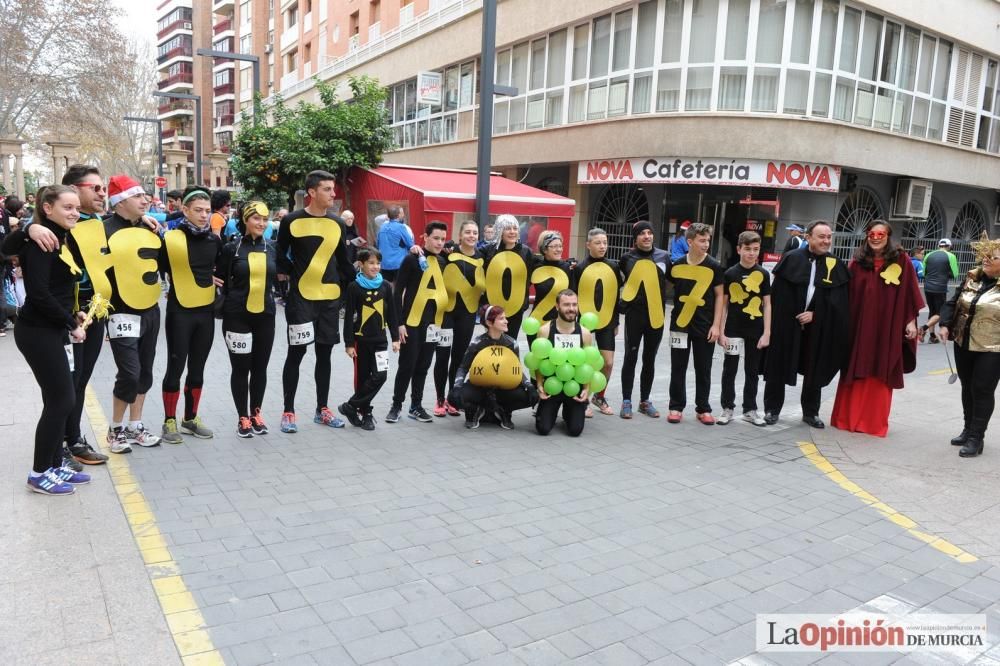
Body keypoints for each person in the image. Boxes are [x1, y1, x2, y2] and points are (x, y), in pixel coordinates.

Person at [14, 185, 91, 494]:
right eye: (67, 207)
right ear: (47, 208)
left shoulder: (61, 237)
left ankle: (56, 465)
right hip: (37, 331)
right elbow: (40, 293)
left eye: (76, 207)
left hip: (53, 328)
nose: (74, 212)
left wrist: (77, 312)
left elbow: (60, 289)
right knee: (61, 400)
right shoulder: (41, 240)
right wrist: (70, 323)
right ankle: (39, 473)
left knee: (60, 398)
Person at [276, 170, 355, 432]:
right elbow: (280, 254)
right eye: (327, 189)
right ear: (312, 192)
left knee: (325, 355)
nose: (334, 194)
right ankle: (288, 411)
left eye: (333, 189)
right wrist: (294, 273)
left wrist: (357, 287)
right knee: (296, 353)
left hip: (329, 301)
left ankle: (322, 409)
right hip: (301, 300)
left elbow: (344, 262)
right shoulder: (291, 220)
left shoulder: (338, 224)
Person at [831, 221, 923, 437]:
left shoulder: (902, 261)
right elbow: (845, 295)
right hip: (859, 326)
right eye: (872, 233)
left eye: (880, 234)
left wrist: (910, 321)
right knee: (855, 363)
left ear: (888, 236)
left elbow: (910, 292)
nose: (875, 237)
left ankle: (872, 422)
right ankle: (846, 418)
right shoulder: (857, 262)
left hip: (887, 327)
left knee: (882, 365)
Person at [763, 220, 850, 428]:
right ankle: (772, 409)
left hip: (818, 327)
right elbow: (778, 296)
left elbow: (840, 303)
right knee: (779, 364)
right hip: (787, 324)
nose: (826, 241)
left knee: (815, 366)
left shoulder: (835, 264)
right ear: (808, 237)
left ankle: (811, 412)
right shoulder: (792, 258)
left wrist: (816, 314)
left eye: (829, 237)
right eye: (821, 237)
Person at [157, 186, 222, 443]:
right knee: (175, 366)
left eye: (207, 211)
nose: (204, 215)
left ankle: (190, 418)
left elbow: (222, 269)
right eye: (198, 210)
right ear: (184, 210)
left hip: (205, 312)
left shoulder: (214, 240)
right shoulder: (170, 239)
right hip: (179, 311)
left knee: (198, 368)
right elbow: (158, 268)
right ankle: (169, 421)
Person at [104, 175, 164, 452]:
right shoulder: (103, 230)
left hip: (150, 309)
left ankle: (135, 425)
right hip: (120, 312)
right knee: (129, 373)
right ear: (120, 202)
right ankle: (115, 429)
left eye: (145, 195)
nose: (145, 200)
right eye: (137, 196)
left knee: (145, 372)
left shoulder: (150, 228)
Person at [217, 201, 278, 437]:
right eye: (256, 219)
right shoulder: (231, 248)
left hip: (265, 316)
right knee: (241, 368)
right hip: (237, 317)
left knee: (260, 368)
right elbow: (219, 278)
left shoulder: (272, 248)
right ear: (245, 220)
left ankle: (256, 413)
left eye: (265, 219)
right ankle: (242, 416)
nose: (261, 223)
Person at [938, 237, 1000, 458]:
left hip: (992, 348)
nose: (986, 260)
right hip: (963, 342)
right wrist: (945, 324)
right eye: (985, 255)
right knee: (967, 386)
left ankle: (976, 438)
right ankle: (967, 430)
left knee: (982, 389)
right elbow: (953, 302)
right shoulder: (972, 277)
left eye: (993, 257)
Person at [388, 221, 449, 423]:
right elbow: (397, 293)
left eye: (442, 239)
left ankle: (416, 406)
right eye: (435, 238)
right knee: (407, 365)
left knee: (423, 366)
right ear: (425, 237)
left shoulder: (444, 260)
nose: (439, 242)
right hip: (411, 322)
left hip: (433, 324)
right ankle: (396, 406)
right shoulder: (411, 259)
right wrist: (399, 324)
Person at [667, 222, 724, 424]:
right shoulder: (677, 265)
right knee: (678, 367)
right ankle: (675, 406)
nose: (706, 244)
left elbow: (719, 297)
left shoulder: (715, 266)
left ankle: (703, 408)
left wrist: (716, 325)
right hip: (679, 324)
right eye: (702, 240)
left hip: (704, 325)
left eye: (708, 240)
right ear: (689, 241)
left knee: (704, 367)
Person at [338, 248, 399, 430]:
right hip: (360, 342)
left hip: (380, 341)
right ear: (361, 264)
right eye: (371, 263)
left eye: (378, 263)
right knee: (363, 378)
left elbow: (392, 314)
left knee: (381, 375)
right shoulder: (354, 287)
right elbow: (348, 317)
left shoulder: (386, 286)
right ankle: (365, 412)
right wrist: (349, 344)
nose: (375, 266)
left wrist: (395, 338)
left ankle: (350, 406)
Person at [451, 304, 536, 429]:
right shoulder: (478, 343)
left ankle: (504, 411)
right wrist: (457, 387)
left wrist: (530, 386)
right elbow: (463, 367)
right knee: (453, 397)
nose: (506, 321)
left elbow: (517, 370)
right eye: (501, 318)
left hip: (503, 390)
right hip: (479, 388)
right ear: (489, 323)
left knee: (529, 397)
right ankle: (474, 411)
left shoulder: (511, 343)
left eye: (505, 318)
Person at [718, 231, 772, 426]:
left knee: (752, 370)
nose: (751, 253)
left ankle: (750, 409)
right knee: (729, 369)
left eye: (755, 249)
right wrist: (721, 331)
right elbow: (724, 305)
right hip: (733, 327)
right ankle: (727, 408)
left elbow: (767, 304)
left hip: (755, 329)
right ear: (739, 249)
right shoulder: (730, 273)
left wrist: (767, 332)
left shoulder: (764, 274)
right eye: (747, 249)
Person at [433, 220, 485, 416]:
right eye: (468, 232)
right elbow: (431, 253)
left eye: (475, 232)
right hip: (447, 312)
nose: (472, 236)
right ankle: (439, 399)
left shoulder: (482, 257)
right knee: (442, 355)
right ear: (461, 235)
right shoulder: (449, 253)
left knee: (459, 357)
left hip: (468, 313)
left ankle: (453, 399)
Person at [618, 221, 668, 419]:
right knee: (631, 357)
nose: (647, 236)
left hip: (656, 316)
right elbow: (615, 281)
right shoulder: (626, 258)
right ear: (635, 238)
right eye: (642, 234)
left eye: (650, 233)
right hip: (635, 317)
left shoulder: (664, 256)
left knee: (650, 359)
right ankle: (626, 401)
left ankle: (645, 401)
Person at [574, 227, 620, 416]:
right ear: (588, 245)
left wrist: (616, 321)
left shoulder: (613, 266)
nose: (602, 246)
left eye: (604, 243)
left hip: (607, 319)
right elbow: (573, 295)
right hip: (584, 319)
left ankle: (599, 396)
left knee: (607, 363)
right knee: (584, 362)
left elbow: (615, 295)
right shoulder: (579, 268)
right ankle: (582, 399)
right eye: (598, 243)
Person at [534, 290, 594, 437]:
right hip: (552, 386)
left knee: (575, 431)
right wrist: (540, 386)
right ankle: (550, 411)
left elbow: (588, 363)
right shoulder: (545, 330)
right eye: (566, 305)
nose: (571, 309)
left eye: (574, 304)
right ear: (557, 306)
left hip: (574, 387)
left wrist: (586, 389)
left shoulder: (585, 333)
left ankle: (569, 412)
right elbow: (539, 361)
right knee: (543, 429)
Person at [482, 214, 537, 339]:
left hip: (516, 306)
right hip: (493, 306)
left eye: (515, 228)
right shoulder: (489, 250)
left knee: (511, 341)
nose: (512, 232)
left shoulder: (526, 252)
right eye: (508, 228)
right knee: (493, 339)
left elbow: (539, 268)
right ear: (500, 230)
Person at [529, 230, 572, 341]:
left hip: (562, 323)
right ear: (544, 249)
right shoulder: (535, 265)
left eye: (560, 246)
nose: (559, 249)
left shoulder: (568, 268)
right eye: (554, 246)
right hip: (537, 321)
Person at [921, 239, 959, 344]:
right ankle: (923, 329)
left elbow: (924, 272)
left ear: (939, 246)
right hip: (940, 287)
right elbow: (955, 274)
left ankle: (932, 336)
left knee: (932, 311)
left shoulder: (928, 255)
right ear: (949, 246)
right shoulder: (951, 256)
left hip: (927, 287)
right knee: (941, 312)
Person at [377, 206, 418, 282]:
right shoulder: (401, 227)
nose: (403, 215)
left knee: (387, 287)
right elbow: (411, 245)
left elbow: (378, 244)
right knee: (399, 289)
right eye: (402, 213)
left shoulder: (382, 227)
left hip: (384, 264)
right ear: (398, 215)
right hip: (399, 264)